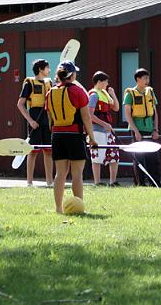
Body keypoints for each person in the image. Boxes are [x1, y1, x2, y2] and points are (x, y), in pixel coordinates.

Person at [46, 61, 97, 214]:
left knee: (60, 173)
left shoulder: (50, 92)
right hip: (75, 135)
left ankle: (58, 208)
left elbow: (50, 119)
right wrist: (92, 138)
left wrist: (55, 132)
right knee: (77, 174)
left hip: (57, 136)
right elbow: (86, 117)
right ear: (72, 75)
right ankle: (79, 208)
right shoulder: (78, 91)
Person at [16, 59, 53, 187]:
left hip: (46, 120)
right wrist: (30, 121)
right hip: (34, 118)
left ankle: (50, 182)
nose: (49, 70)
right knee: (32, 151)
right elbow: (20, 105)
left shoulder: (50, 83)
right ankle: (29, 183)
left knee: (48, 151)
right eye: (47, 68)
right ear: (41, 69)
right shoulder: (29, 83)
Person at [124, 68, 160, 187]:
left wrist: (155, 129)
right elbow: (128, 115)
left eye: (148, 78)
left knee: (153, 158)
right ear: (137, 79)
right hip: (137, 129)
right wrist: (136, 131)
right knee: (139, 158)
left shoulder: (150, 92)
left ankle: (155, 183)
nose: (147, 81)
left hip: (150, 129)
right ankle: (140, 184)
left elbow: (155, 113)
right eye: (144, 78)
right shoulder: (130, 94)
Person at [88, 71, 121, 187]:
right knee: (97, 155)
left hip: (108, 130)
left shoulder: (105, 94)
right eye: (106, 82)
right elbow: (90, 115)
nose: (107, 84)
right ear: (99, 82)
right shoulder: (93, 95)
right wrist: (104, 124)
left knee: (114, 154)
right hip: (96, 130)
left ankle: (113, 182)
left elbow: (116, 108)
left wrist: (112, 94)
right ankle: (97, 182)